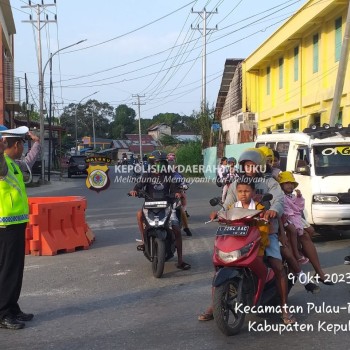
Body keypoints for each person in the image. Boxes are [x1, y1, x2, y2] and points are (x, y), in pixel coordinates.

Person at [199, 148, 296, 325]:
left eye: (253, 166)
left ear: (259, 166)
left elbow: (279, 200)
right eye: (246, 166)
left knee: (276, 265)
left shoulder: (269, 183)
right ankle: (216, 303)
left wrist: (273, 210)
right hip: (238, 229)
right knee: (222, 261)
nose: (250, 168)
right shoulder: (237, 184)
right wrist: (219, 214)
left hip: (265, 230)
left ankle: (284, 308)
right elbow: (228, 205)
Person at [0, 125, 40, 330]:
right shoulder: (3, 165)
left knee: (15, 270)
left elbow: (29, 162)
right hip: (5, 225)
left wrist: (37, 143)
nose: (23, 147)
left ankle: (12, 308)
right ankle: (3, 313)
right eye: (22, 143)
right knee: (7, 270)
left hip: (16, 224)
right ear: (14, 145)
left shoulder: (15, 164)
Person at [129, 150, 191, 270]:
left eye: (162, 162)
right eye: (157, 162)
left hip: (167, 205)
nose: (160, 164)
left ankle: (180, 260)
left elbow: (174, 189)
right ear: (152, 163)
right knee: (139, 215)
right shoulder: (147, 175)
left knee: (177, 229)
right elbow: (138, 186)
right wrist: (134, 191)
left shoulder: (170, 175)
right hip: (150, 204)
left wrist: (177, 193)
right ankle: (144, 241)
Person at [278, 171, 309, 264]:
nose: (290, 185)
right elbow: (284, 210)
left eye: (291, 183)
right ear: (281, 185)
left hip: (295, 218)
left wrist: (299, 197)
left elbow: (300, 207)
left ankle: (301, 249)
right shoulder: (281, 196)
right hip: (286, 218)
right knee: (293, 231)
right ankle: (296, 253)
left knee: (310, 231)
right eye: (287, 183)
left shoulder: (293, 196)